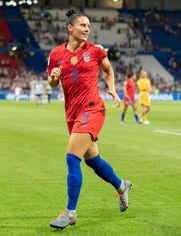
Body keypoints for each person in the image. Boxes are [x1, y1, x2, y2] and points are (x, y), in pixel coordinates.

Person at [47, 9, 132, 230]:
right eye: (83, 25)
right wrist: (53, 79)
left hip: (92, 108)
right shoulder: (56, 54)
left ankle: (70, 212)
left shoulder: (94, 51)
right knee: (93, 161)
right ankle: (122, 186)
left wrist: (112, 90)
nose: (87, 29)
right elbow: (52, 83)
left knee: (72, 158)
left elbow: (108, 70)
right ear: (70, 28)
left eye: (88, 26)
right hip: (72, 113)